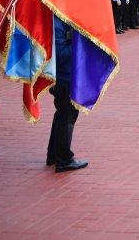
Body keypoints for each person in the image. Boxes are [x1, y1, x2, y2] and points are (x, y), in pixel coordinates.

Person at [46, 21, 88, 174]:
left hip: (65, 75)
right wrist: (82, 44)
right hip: (63, 77)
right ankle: (63, 159)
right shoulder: (57, 23)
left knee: (61, 115)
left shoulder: (61, 20)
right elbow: (59, 54)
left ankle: (53, 155)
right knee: (67, 117)